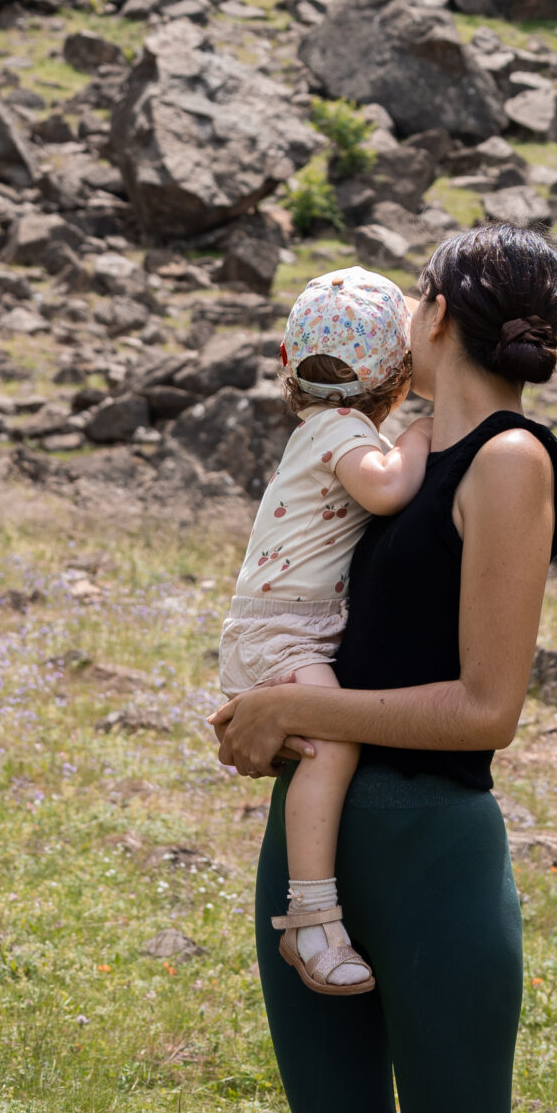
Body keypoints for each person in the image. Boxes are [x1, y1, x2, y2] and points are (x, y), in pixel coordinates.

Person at [210, 225, 557, 1113]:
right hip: (314, 861)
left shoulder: (508, 460)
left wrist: (290, 709)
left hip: (430, 858)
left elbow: (486, 709)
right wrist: (264, 705)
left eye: (409, 301)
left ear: (438, 313)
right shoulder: (382, 460)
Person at [217, 267, 431, 997]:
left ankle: (314, 910)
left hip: (280, 624)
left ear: (288, 363)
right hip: (285, 630)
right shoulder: (346, 432)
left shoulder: (319, 427)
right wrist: (423, 432)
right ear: (396, 376)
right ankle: (310, 918)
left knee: (323, 748)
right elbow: (385, 487)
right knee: (332, 742)